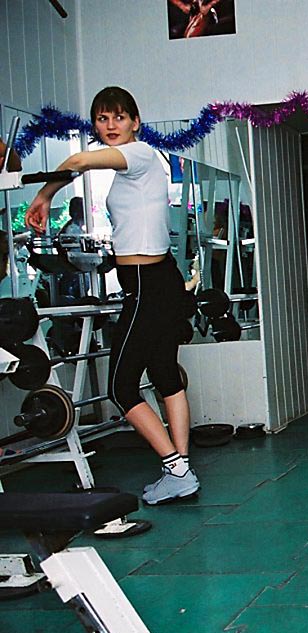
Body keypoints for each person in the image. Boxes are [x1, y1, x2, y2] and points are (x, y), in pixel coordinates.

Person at [26, 86, 198, 506]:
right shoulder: (132, 169)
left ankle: (176, 469)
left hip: (147, 283)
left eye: (119, 117)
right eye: (102, 119)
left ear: (135, 122)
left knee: (121, 388)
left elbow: (79, 161)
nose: (110, 126)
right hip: (160, 278)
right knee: (165, 374)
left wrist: (43, 197)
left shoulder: (138, 154)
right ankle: (181, 470)